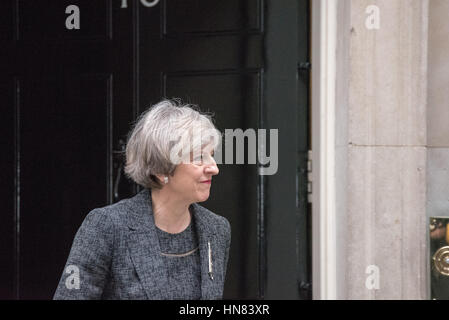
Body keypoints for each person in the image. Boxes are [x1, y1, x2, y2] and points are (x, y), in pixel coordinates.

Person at [53, 99, 231, 300]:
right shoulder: (106, 226)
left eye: (212, 155)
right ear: (160, 168)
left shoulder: (216, 229)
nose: (214, 168)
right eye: (199, 157)